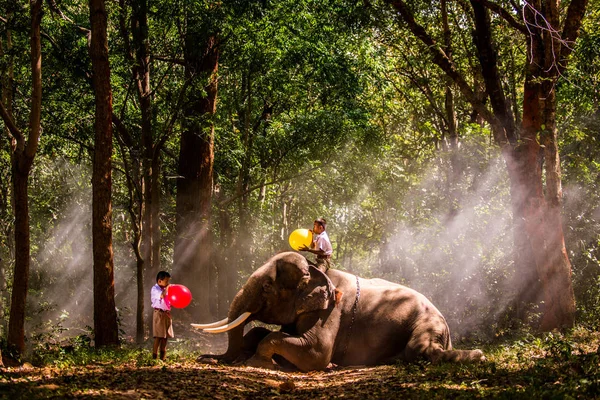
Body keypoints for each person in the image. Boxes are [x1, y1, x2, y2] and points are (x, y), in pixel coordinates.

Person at [151, 270, 174, 360]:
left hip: (166, 314)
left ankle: (162, 357)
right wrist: (167, 289)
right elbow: (161, 296)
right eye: (166, 281)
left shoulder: (165, 289)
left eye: (168, 281)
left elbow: (169, 300)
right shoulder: (155, 289)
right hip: (159, 314)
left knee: (165, 337)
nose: (168, 283)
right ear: (160, 281)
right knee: (159, 336)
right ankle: (154, 357)